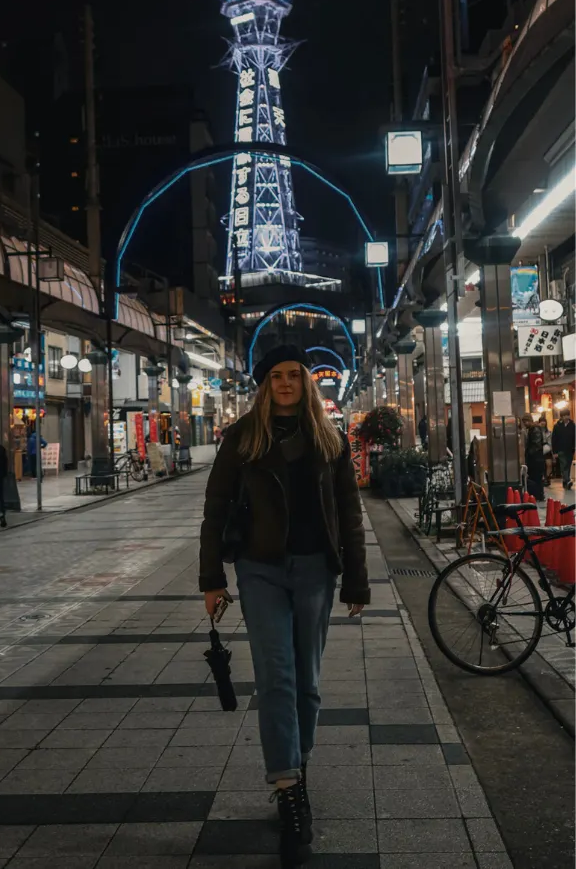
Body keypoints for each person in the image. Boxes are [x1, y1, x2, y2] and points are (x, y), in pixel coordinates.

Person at [199, 345, 368, 866]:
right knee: (276, 676)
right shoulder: (244, 437)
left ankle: (298, 761)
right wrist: (211, 577)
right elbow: (216, 507)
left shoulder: (329, 438)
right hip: (260, 568)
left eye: (295, 375)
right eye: (278, 376)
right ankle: (289, 787)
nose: (287, 383)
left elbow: (349, 511)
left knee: (308, 682)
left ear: (307, 383)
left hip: (316, 567)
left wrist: (356, 581)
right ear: (265, 383)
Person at [522, 416, 546, 500]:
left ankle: (538, 495)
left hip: (536, 459)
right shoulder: (533, 429)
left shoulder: (535, 429)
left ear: (529, 421)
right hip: (536, 459)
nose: (524, 424)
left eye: (525, 422)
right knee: (536, 478)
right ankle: (538, 495)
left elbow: (536, 445)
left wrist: (528, 453)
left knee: (536, 478)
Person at [553, 410, 574, 491]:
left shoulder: (573, 425)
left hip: (570, 449)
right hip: (560, 449)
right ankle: (568, 480)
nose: (566, 417)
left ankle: (565, 482)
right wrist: (554, 452)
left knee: (567, 466)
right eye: (564, 415)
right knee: (563, 465)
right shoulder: (557, 426)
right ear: (561, 416)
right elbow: (554, 439)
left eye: (567, 415)